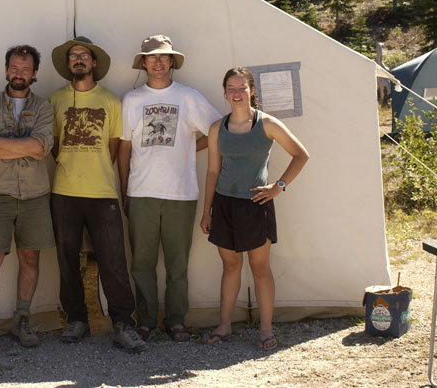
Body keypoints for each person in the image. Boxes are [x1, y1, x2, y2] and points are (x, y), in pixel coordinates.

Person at [117, 34, 221, 343]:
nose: (158, 62)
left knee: (178, 264)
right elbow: (124, 148)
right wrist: (123, 189)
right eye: (151, 57)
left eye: (164, 57)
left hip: (180, 193)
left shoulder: (188, 97)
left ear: (172, 61)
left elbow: (216, 131)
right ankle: (146, 320)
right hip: (141, 193)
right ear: (144, 62)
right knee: (141, 263)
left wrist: (191, 147)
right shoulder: (132, 100)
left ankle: (176, 321)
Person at [48, 36, 147, 353]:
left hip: (102, 192)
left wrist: (116, 186)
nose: (78, 60)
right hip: (64, 191)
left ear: (93, 64)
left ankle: (122, 324)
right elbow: (53, 144)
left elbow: (114, 148)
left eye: (84, 56)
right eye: (73, 56)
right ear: (68, 65)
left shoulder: (111, 101)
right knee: (66, 260)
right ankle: (77, 320)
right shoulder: (54, 100)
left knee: (114, 260)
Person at [200, 67, 309, 351]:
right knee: (230, 265)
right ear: (225, 93)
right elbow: (213, 171)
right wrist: (207, 210)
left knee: (260, 268)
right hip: (224, 204)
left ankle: (265, 330)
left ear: (251, 91)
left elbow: (301, 154)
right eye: (231, 89)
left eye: (242, 88)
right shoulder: (216, 128)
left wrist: (278, 186)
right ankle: (224, 327)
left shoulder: (267, 124)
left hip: (256, 205)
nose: (237, 93)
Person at [0, 45, 55, 358]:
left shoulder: (44, 107)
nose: (19, 74)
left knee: (31, 258)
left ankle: (22, 320)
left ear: (34, 73)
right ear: (6, 70)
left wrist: (2, 144)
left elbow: (42, 147)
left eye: (25, 69)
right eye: (14, 68)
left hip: (34, 195)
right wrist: (25, 146)